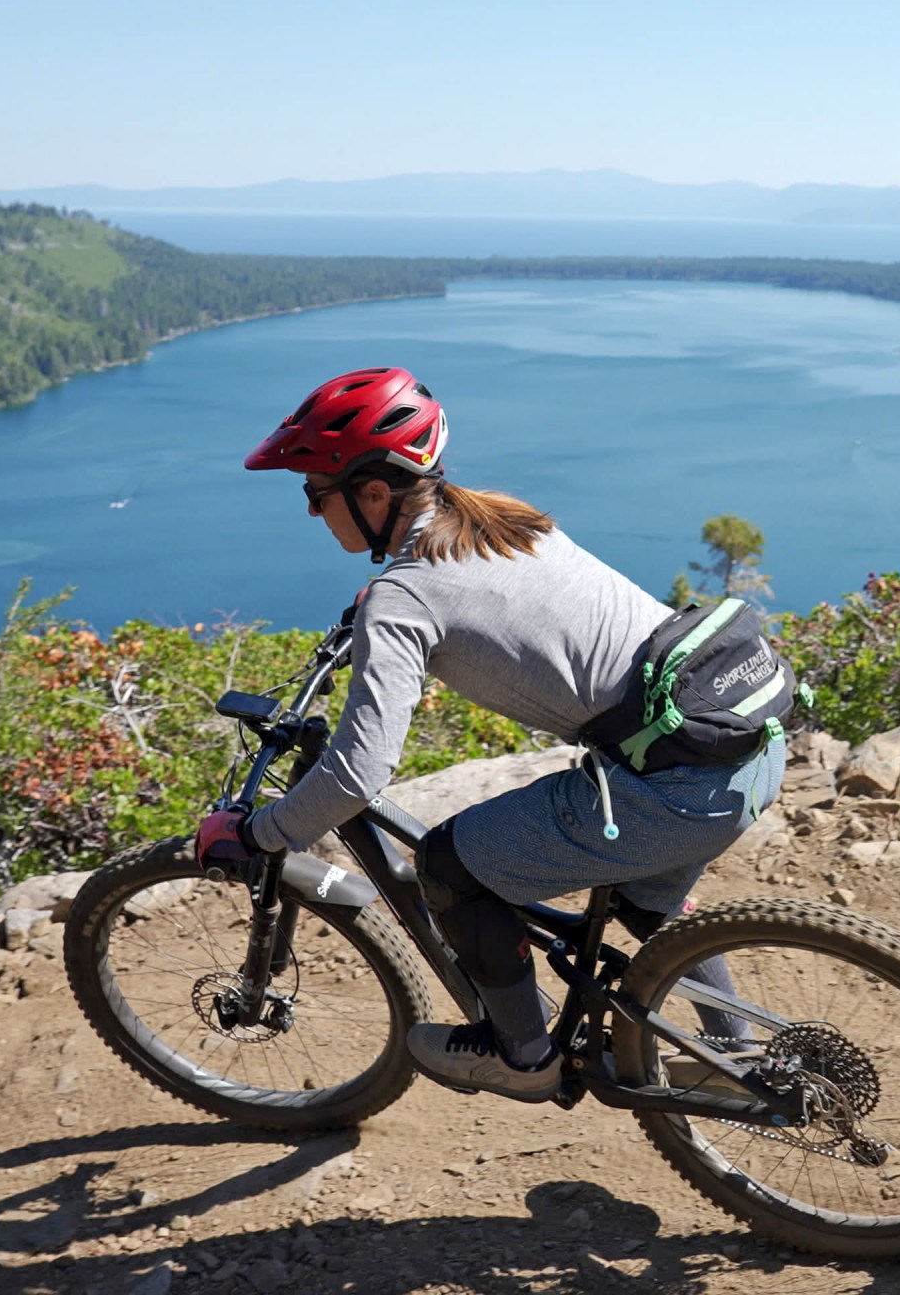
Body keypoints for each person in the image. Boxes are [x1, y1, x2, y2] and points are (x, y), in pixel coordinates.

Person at [195, 366, 785, 1101]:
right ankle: (745, 1062)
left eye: (317, 495)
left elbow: (356, 776)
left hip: (671, 792)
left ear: (373, 494)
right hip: (744, 748)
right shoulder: (503, 522)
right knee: (643, 902)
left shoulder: (403, 596)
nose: (313, 513)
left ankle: (524, 1057)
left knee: (447, 866)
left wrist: (261, 835)